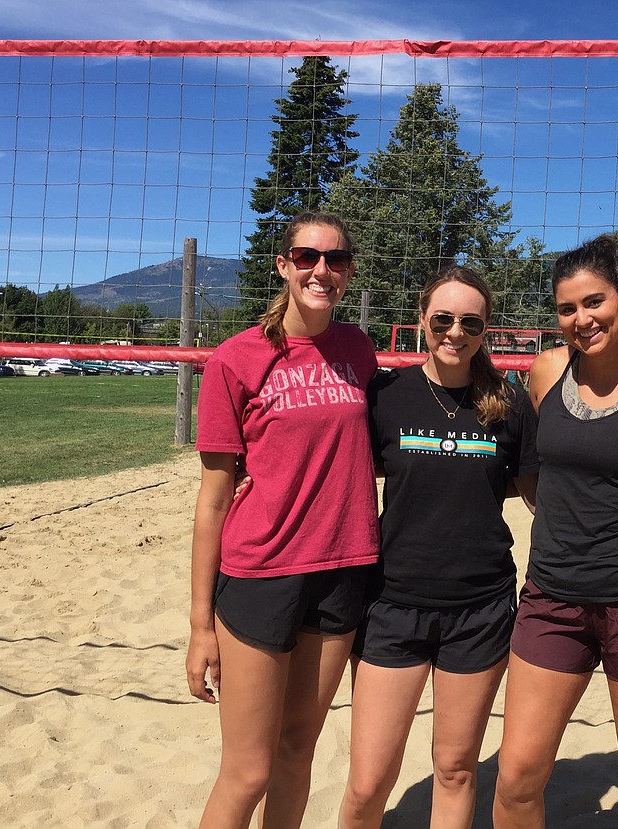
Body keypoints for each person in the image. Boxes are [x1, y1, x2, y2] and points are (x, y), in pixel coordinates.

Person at [490, 234, 618, 828]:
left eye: (594, 302)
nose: (581, 319)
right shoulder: (545, 372)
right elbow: (537, 468)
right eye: (566, 308)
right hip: (552, 594)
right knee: (516, 778)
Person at [186, 211, 379, 829]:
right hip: (261, 573)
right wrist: (198, 627)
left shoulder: (356, 349)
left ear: (349, 271)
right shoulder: (235, 360)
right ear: (283, 265)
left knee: (298, 752)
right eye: (307, 256)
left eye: (336, 259)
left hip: (343, 567)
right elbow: (213, 500)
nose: (321, 269)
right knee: (248, 771)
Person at [337, 266, 540, 828]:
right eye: (443, 319)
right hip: (393, 603)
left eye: (470, 321)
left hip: (481, 606)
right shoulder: (386, 396)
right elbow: (339, 477)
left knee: (454, 769)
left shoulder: (509, 403)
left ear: (486, 329)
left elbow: (543, 500)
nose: (456, 332)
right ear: (422, 319)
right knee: (368, 780)